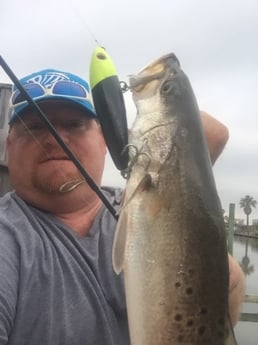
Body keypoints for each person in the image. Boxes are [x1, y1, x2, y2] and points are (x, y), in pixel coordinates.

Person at [0, 68, 244, 345]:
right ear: (9, 144)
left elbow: (216, 132)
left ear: (107, 140)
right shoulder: (7, 237)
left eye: (74, 124)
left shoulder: (150, 203)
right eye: (35, 126)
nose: (56, 138)